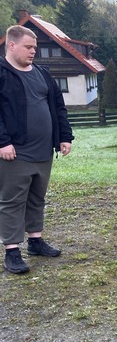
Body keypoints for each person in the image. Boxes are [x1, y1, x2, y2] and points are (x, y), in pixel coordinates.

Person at [0, 25, 73, 275]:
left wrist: (64, 136)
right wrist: (2, 142)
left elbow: (58, 106)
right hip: (15, 152)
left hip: (43, 151)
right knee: (12, 201)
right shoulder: (2, 73)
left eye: (35, 47)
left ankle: (35, 241)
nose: (33, 51)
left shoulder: (42, 73)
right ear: (11, 45)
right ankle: (12, 251)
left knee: (36, 198)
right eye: (28, 47)